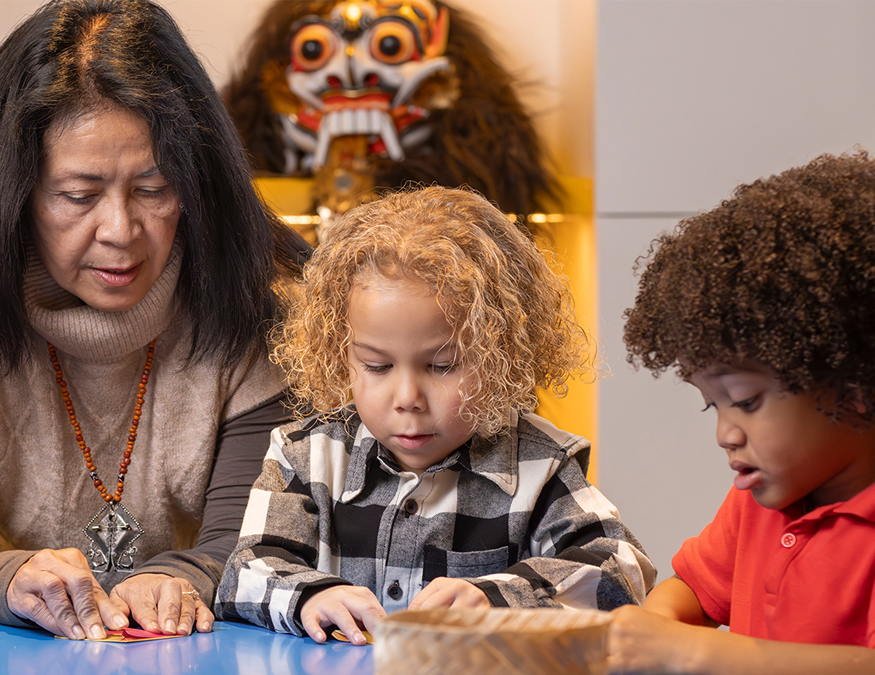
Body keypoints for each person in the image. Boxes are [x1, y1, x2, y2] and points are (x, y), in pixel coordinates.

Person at [0, 0, 307, 642]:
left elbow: (252, 548)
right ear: (14, 193)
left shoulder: (262, 310)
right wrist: (5, 580)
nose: (120, 231)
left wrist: (178, 577)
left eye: (154, 189)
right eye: (78, 196)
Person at [214, 186, 656, 646]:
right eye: (377, 366)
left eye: (442, 366)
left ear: (500, 355)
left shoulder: (540, 466)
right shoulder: (305, 456)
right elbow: (243, 572)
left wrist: (496, 598)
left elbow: (623, 567)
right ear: (338, 353)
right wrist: (309, 596)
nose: (407, 398)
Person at [606, 153, 875, 674]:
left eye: (746, 402)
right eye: (714, 404)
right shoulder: (758, 501)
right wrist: (655, 625)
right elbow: (693, 589)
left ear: (856, 384)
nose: (725, 433)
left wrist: (690, 652)